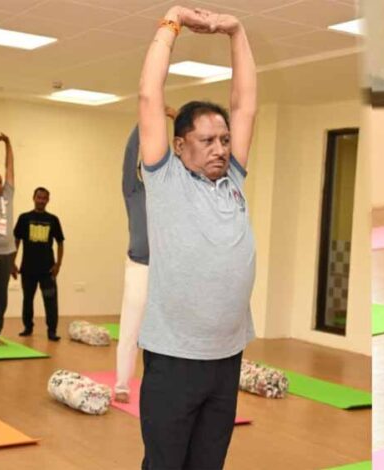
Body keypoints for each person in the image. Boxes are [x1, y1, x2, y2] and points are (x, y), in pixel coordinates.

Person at [137, 6, 257, 469]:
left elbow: (244, 104)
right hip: (175, 359)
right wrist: (173, 21)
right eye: (207, 141)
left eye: (224, 140)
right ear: (180, 145)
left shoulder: (233, 180)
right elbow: (150, 96)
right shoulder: (166, 180)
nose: (220, 149)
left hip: (226, 357)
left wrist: (237, 32)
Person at [113, 107, 176, 404]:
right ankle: (122, 385)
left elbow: (182, 163)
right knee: (131, 328)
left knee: (167, 331)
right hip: (139, 267)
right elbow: (129, 154)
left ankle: (165, 384)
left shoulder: (171, 194)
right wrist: (146, 119)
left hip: (167, 269)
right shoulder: (133, 191)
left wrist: (180, 123)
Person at [13, 187, 65, 341]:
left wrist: (58, 265)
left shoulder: (53, 220)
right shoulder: (24, 218)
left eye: (44, 198)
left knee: (50, 301)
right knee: (27, 299)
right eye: (39, 197)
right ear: (33, 198)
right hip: (28, 269)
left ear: (48, 200)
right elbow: (16, 241)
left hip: (47, 270)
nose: (41, 201)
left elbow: (60, 243)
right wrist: (12, 262)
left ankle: (52, 331)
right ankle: (28, 327)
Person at [0, 133, 11, 345]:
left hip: (5, 254)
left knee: (1, 295)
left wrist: (7, 144)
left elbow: (10, 170)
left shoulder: (7, 198)